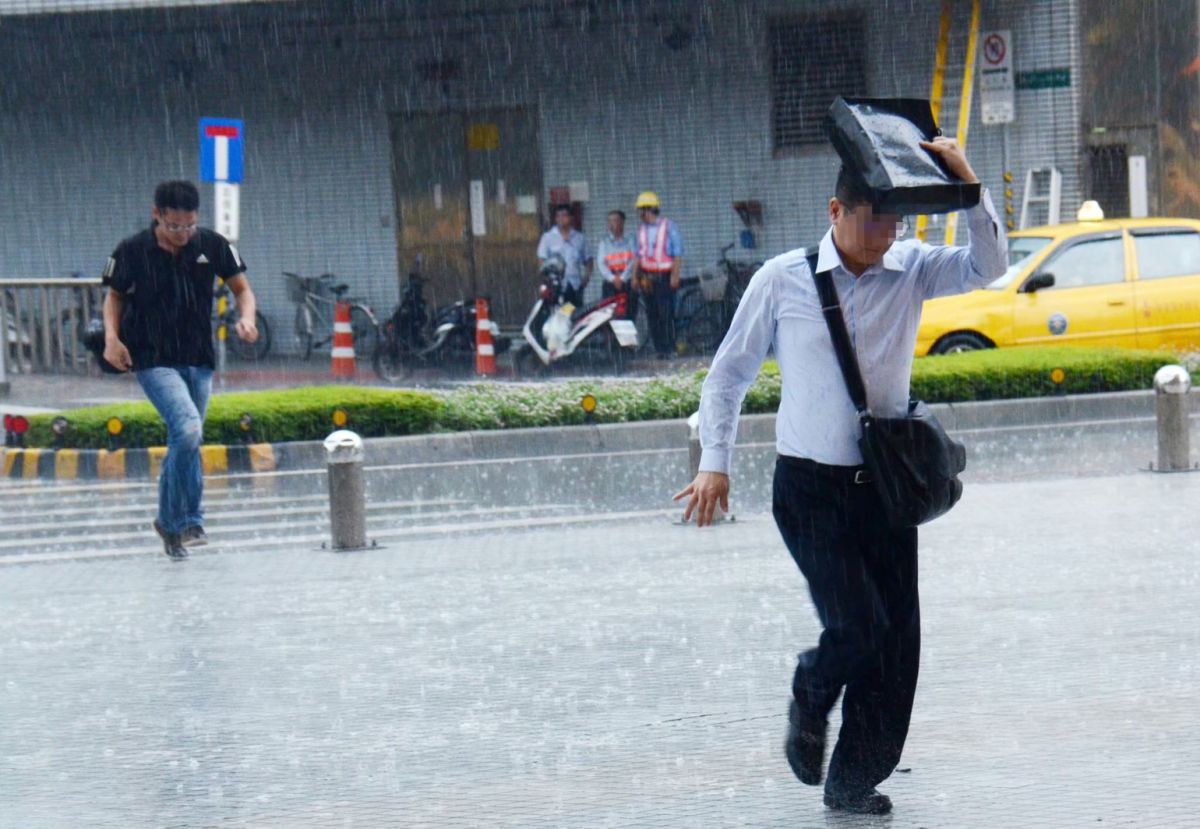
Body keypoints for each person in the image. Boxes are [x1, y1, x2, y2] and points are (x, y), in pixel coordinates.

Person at [674, 139, 1006, 815]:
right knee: (858, 629)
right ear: (835, 210)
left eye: (895, 221)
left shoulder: (909, 267)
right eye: (873, 219)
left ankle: (853, 776)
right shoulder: (782, 279)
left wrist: (968, 182)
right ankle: (811, 689)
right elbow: (730, 374)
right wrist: (716, 461)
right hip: (810, 492)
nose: (886, 234)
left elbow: (989, 264)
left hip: (887, 493)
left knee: (897, 646)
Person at [102, 180, 258, 559]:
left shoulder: (212, 245)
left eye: (189, 225)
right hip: (152, 357)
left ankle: (168, 524)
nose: (183, 234)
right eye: (174, 226)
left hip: (198, 357)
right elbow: (114, 298)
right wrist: (112, 338)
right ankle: (189, 519)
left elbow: (242, 290)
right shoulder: (132, 250)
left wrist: (247, 319)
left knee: (184, 440)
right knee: (188, 428)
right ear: (157, 215)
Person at [630, 191, 684, 358]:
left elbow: (678, 254)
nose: (640, 214)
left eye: (642, 210)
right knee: (652, 314)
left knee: (666, 313)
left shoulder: (668, 226)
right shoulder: (641, 230)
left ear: (650, 209)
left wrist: (675, 276)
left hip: (664, 277)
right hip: (647, 277)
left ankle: (670, 347)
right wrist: (634, 276)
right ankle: (660, 349)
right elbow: (639, 255)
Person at [537, 203, 592, 307]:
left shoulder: (579, 238)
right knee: (556, 315)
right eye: (558, 216)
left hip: (575, 284)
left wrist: (586, 278)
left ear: (571, 218)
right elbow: (542, 259)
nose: (561, 219)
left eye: (564, 215)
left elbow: (589, 259)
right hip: (554, 286)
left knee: (574, 314)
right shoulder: (548, 237)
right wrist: (546, 279)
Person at [595, 209, 638, 318]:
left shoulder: (631, 240)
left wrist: (622, 278)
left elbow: (634, 260)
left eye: (615, 220)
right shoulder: (604, 242)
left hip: (627, 283)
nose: (611, 224)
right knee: (610, 316)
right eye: (609, 221)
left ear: (622, 222)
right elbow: (601, 263)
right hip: (610, 284)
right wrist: (613, 278)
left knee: (629, 314)